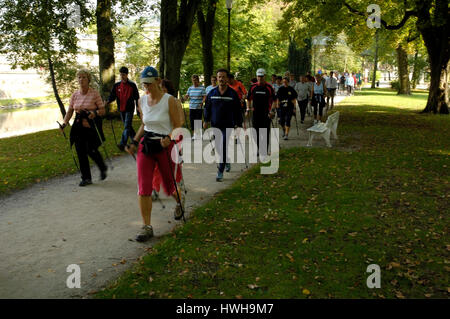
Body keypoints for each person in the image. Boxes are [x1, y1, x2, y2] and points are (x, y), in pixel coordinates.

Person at [126, 66, 185, 242]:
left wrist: (168, 137)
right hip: (147, 145)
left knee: (169, 185)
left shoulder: (170, 101)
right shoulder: (142, 101)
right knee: (144, 186)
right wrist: (135, 142)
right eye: (144, 84)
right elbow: (145, 124)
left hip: (165, 146)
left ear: (158, 82)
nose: (147, 88)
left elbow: (178, 125)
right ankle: (147, 226)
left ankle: (180, 201)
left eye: (150, 84)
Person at [60, 68, 107, 187]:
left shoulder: (94, 93)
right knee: (80, 151)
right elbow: (70, 111)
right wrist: (64, 123)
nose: (81, 79)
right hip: (78, 125)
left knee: (91, 149)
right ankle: (86, 178)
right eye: (79, 77)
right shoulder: (74, 95)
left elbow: (102, 110)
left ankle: (102, 166)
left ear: (88, 79)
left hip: (91, 125)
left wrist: (94, 113)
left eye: (84, 77)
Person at [204, 69, 243, 182]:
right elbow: (207, 107)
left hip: (228, 125)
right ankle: (227, 160)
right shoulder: (212, 93)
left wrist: (238, 125)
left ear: (227, 79)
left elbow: (237, 110)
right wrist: (206, 120)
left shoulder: (232, 94)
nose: (221, 79)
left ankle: (220, 171)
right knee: (218, 148)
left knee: (224, 145)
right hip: (215, 125)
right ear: (217, 78)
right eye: (219, 77)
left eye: (223, 77)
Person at [151, 79, 186, 201]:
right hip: (160, 135)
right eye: (159, 87)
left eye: (162, 87)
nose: (160, 89)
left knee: (175, 162)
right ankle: (155, 189)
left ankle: (178, 181)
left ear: (167, 89)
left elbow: (181, 120)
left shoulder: (175, 101)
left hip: (175, 134)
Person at [105, 66, 140, 151]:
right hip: (121, 109)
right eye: (121, 75)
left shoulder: (132, 85)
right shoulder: (116, 86)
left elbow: (137, 97)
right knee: (127, 126)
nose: (122, 76)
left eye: (123, 75)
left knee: (127, 126)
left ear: (127, 75)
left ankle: (122, 143)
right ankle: (136, 140)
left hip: (130, 109)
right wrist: (107, 101)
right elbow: (112, 96)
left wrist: (138, 108)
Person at [247, 68, 276, 157]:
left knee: (265, 133)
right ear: (256, 76)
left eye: (261, 77)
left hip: (266, 114)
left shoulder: (269, 87)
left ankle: (264, 151)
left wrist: (272, 111)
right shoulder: (253, 87)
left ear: (265, 76)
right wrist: (248, 108)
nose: (260, 78)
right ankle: (259, 148)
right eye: (258, 76)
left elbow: (274, 100)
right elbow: (248, 99)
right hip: (255, 113)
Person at [183, 74, 206, 140]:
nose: (194, 82)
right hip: (191, 107)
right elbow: (186, 96)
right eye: (193, 81)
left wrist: (202, 102)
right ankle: (194, 135)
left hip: (199, 106)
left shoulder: (202, 88)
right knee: (192, 121)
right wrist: (183, 99)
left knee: (198, 120)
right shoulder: (190, 88)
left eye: (195, 80)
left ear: (198, 80)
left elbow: (204, 96)